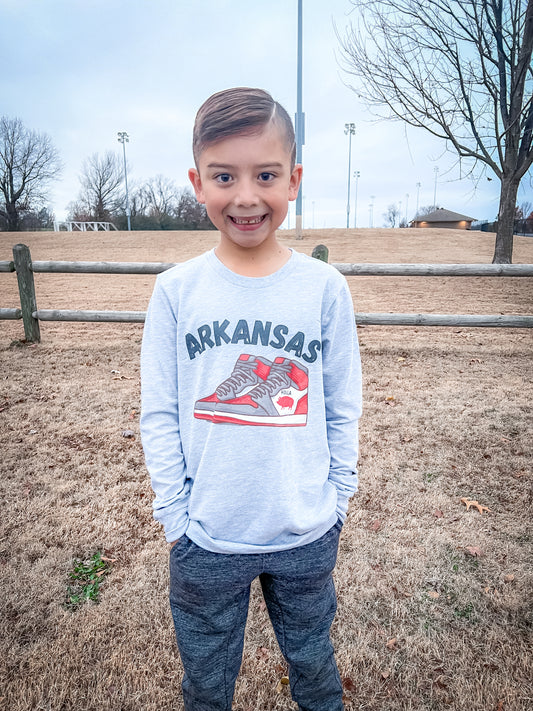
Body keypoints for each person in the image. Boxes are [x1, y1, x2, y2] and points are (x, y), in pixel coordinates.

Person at [140, 87, 362, 711]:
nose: (245, 195)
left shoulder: (322, 288)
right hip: (207, 538)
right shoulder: (176, 292)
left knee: (315, 669)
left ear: (293, 179)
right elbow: (158, 412)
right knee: (207, 687)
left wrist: (337, 498)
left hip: (306, 531)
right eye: (223, 176)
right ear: (197, 182)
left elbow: (343, 403)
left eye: (265, 175)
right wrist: (176, 519)